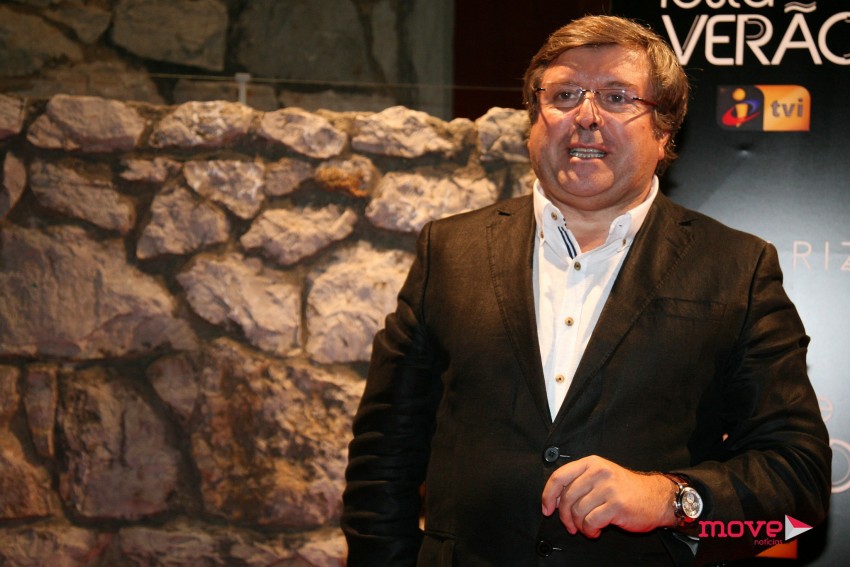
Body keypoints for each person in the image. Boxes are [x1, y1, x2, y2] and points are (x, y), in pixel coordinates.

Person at [341, 15, 831, 567]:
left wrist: (671, 499)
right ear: (534, 121)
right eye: (564, 95)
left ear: (664, 131)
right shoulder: (450, 251)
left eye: (617, 97)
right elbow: (383, 461)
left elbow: (800, 493)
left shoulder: (737, 267)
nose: (586, 116)